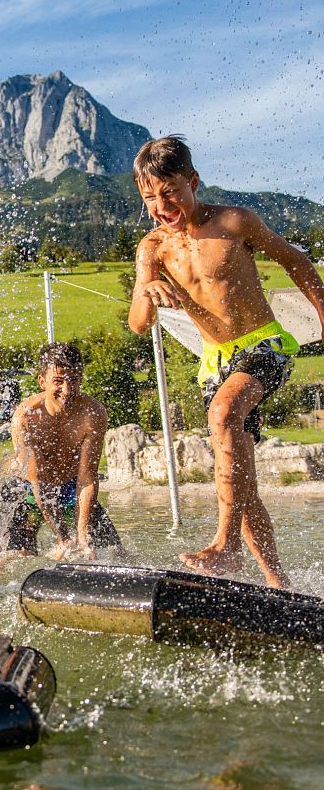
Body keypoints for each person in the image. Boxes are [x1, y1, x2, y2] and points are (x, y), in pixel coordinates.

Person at [128, 135, 324, 588]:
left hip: (264, 345)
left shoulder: (234, 222)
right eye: (149, 198)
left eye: (170, 191)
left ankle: (225, 546)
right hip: (214, 363)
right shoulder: (152, 249)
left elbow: (296, 261)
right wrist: (148, 292)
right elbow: (139, 324)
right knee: (240, 479)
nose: (161, 204)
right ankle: (279, 586)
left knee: (222, 414)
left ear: (193, 181)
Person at [0, 343, 122, 571]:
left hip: (70, 487)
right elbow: (37, 483)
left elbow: (87, 478)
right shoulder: (27, 417)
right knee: (12, 561)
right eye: (58, 381)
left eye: (73, 379)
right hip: (26, 490)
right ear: (43, 382)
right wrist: (63, 537)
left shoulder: (92, 413)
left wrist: (82, 538)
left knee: (116, 555)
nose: (67, 389)